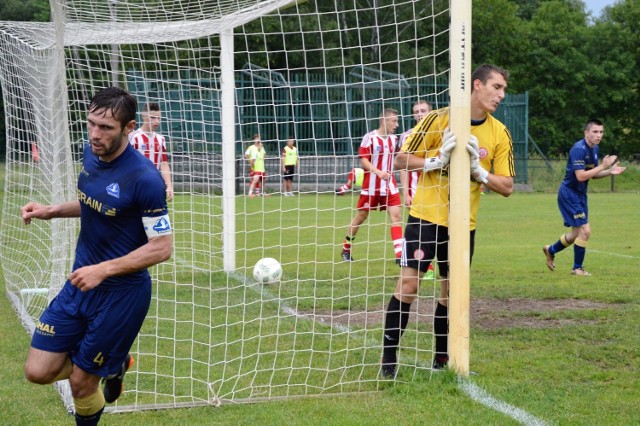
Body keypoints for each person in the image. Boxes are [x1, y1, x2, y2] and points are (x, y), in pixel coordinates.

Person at [20, 87, 173, 425]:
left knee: (81, 382)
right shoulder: (91, 155)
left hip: (121, 295)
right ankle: (113, 363)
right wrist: (52, 210)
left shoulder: (145, 179)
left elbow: (162, 246)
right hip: (80, 283)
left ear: (129, 128)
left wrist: (103, 270)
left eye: (106, 128)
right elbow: (98, 204)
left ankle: (102, 368)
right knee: (37, 370)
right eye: (91, 124)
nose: (95, 134)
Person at [380, 64, 515, 378]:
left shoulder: (498, 132)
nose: (501, 95)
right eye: (496, 87)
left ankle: (441, 362)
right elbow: (400, 159)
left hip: (463, 225)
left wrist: (479, 172)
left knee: (450, 292)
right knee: (409, 285)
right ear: (477, 85)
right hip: (426, 218)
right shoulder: (437, 119)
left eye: (504, 90)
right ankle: (388, 363)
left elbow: (507, 186)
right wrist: (435, 160)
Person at [543, 119, 625, 276]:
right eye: (595, 132)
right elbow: (580, 176)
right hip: (569, 194)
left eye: (601, 132)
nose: (598, 135)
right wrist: (603, 166)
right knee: (585, 231)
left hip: (580, 195)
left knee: (576, 233)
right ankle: (577, 268)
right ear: (586, 133)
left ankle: (551, 250)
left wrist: (609, 171)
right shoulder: (578, 149)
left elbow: (592, 175)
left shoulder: (595, 149)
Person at [340, 108, 403, 263]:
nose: (397, 124)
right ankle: (346, 248)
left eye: (397, 121)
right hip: (371, 186)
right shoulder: (370, 138)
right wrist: (378, 172)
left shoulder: (395, 140)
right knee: (361, 217)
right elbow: (364, 160)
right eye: (394, 121)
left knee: (396, 216)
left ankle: (400, 255)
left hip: (390, 186)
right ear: (384, 121)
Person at [398, 100, 436, 281]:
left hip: (438, 191)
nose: (420, 114)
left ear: (431, 112)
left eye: (423, 110)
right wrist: (405, 192)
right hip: (416, 191)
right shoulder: (407, 136)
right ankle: (423, 266)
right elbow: (403, 166)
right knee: (418, 230)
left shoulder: (440, 133)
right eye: (416, 111)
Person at [129, 102, 174, 201]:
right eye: (153, 117)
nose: (157, 121)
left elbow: (164, 163)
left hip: (155, 186)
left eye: (159, 118)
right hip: (136, 186)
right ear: (144, 116)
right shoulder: (133, 137)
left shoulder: (161, 139)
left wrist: (169, 186)